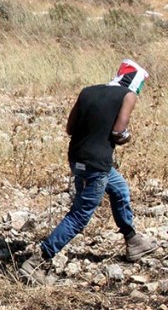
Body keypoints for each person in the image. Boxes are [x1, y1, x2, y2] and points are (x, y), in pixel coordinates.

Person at [20, 60, 157, 284]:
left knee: (119, 188)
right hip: (97, 162)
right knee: (79, 215)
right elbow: (118, 133)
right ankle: (37, 261)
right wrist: (126, 137)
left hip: (77, 157)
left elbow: (70, 128)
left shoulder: (89, 91)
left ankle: (133, 241)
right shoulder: (128, 96)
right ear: (136, 81)